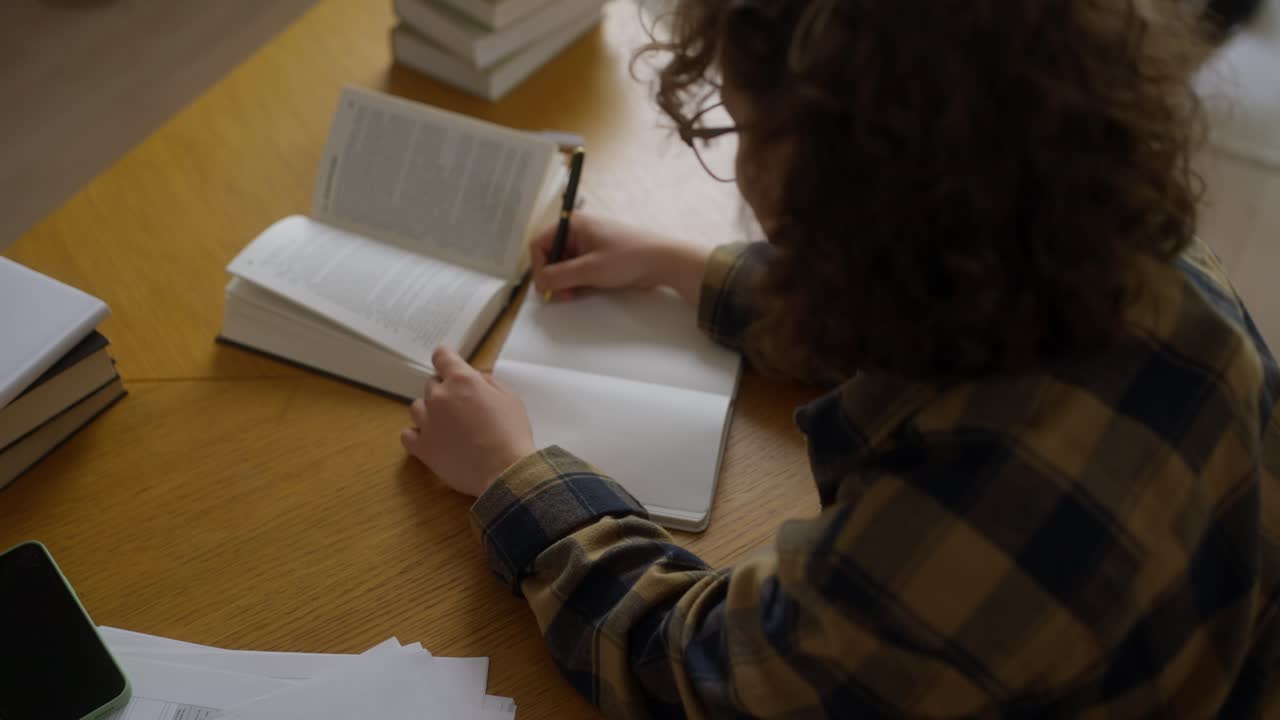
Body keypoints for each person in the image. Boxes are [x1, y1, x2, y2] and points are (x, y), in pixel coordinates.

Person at [401, 0, 1279, 716]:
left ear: (856, 178)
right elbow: (925, 302)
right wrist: (680, 266)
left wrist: (511, 475)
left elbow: (710, 674)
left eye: (742, 130)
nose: (741, 170)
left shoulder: (977, 504)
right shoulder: (1134, 257)